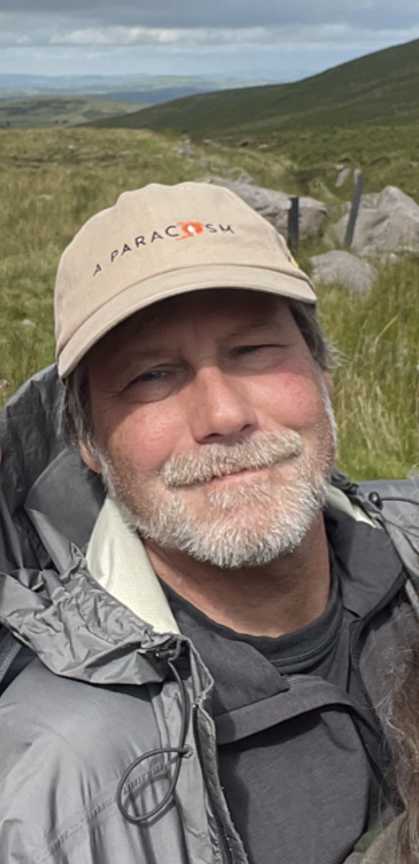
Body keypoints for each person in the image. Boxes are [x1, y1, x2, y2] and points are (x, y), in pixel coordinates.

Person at [0, 181, 417, 864]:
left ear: (321, 376)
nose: (222, 415)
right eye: (152, 376)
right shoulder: (54, 784)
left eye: (252, 350)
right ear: (88, 442)